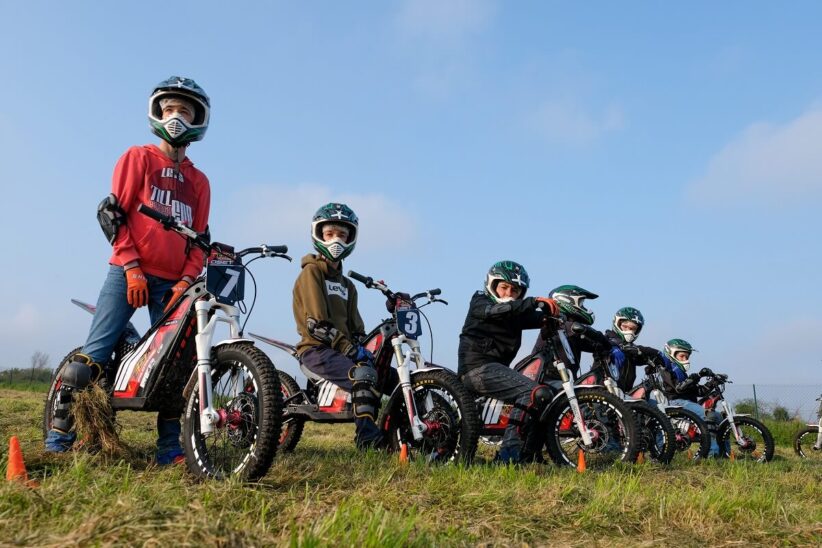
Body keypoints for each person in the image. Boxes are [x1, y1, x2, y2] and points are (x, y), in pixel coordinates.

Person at [45, 76, 212, 465]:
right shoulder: (137, 158)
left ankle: (170, 449)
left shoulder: (200, 182)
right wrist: (133, 267)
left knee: (176, 366)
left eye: (184, 111)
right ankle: (58, 437)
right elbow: (112, 216)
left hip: (173, 284)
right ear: (156, 113)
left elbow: (200, 240)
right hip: (127, 272)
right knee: (94, 356)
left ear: (198, 120)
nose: (176, 117)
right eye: (169, 109)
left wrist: (186, 281)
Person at [292, 203, 397, 449]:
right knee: (363, 376)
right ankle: (367, 440)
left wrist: (366, 349)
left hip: (342, 350)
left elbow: (357, 330)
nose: (335, 240)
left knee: (388, 376)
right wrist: (350, 350)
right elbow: (316, 325)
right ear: (318, 235)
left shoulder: (348, 285)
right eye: (329, 234)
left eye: (342, 234)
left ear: (351, 238)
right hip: (315, 350)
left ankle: (399, 434)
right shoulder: (311, 274)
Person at [458, 260, 560, 463]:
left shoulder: (514, 313)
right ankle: (508, 456)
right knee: (532, 392)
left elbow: (537, 317)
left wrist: (554, 316)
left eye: (515, 290)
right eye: (504, 287)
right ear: (492, 285)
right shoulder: (480, 302)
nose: (508, 294)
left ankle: (529, 455)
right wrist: (534, 302)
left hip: (495, 370)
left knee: (546, 396)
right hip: (477, 369)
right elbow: (495, 311)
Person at [657, 338, 720, 455]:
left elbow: (699, 391)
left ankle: (724, 453)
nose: (685, 360)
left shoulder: (682, 373)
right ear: (671, 353)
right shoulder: (666, 369)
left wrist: (713, 383)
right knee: (705, 415)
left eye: (687, 357)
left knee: (718, 417)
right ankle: (712, 454)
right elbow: (678, 388)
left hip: (688, 403)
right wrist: (696, 377)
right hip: (676, 402)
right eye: (682, 356)